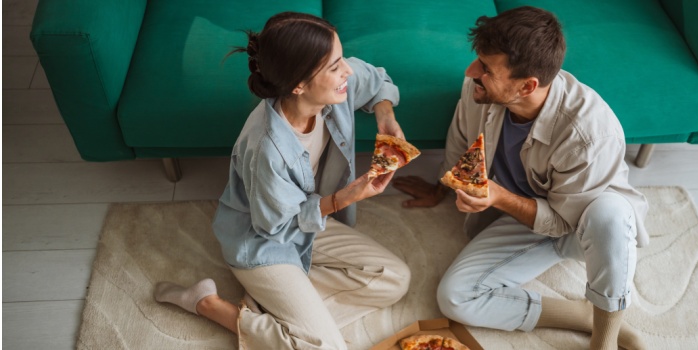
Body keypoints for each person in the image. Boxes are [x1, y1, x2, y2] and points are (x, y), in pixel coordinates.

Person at [393, 6, 648, 350]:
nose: (471, 72)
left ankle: (606, 336)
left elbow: (562, 222)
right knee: (454, 298)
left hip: (582, 223)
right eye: (478, 61)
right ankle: (584, 316)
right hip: (525, 216)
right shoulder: (479, 91)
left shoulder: (589, 133)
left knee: (610, 215)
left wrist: (498, 196)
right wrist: (442, 187)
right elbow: (460, 143)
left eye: (485, 69)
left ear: (527, 85)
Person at [153, 12, 411, 350]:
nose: (347, 70)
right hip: (265, 240)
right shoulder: (265, 148)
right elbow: (276, 226)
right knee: (330, 348)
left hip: (310, 222)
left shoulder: (334, 88)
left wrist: (385, 115)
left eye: (341, 59)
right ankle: (210, 306)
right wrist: (346, 198)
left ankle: (274, 314)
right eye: (335, 67)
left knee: (394, 280)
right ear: (299, 85)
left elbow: (377, 80)